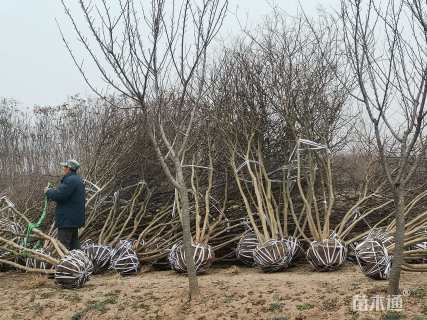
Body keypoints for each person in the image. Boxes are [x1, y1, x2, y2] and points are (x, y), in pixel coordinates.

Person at [45, 159, 85, 250]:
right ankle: (78, 262)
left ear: (69, 169)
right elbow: (66, 194)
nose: (63, 169)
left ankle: (66, 264)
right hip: (73, 221)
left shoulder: (70, 180)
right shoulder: (78, 180)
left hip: (67, 221)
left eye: (65, 167)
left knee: (64, 249)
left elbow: (59, 195)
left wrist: (48, 191)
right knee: (74, 248)